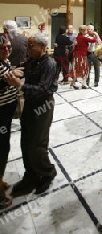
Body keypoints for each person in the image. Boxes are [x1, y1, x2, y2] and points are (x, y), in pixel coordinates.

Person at [5, 34, 58, 197]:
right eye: (28, 45)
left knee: (38, 143)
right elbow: (24, 67)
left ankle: (47, 172)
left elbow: (43, 89)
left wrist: (19, 85)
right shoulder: (32, 60)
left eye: (31, 45)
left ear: (42, 47)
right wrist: (17, 71)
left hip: (43, 105)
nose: (28, 49)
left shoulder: (49, 64)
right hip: (30, 104)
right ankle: (31, 174)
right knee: (26, 141)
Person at [0, 34, 24, 208]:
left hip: (7, 111)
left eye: (9, 47)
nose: (7, 50)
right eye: (3, 48)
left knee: (4, 147)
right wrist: (6, 78)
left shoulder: (5, 62)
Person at [72, 25, 98, 89]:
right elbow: (93, 40)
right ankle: (84, 84)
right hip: (82, 55)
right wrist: (95, 35)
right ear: (83, 31)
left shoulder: (77, 37)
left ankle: (73, 83)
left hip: (76, 55)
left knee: (76, 69)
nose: (88, 31)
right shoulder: (83, 38)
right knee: (85, 69)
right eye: (86, 30)